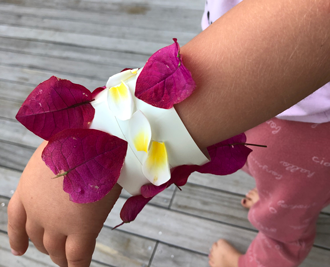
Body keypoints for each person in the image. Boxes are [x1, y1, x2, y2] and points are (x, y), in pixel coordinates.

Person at [7, 0, 330, 266]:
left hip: (310, 121)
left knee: (286, 213)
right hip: (244, 63)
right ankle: (280, 191)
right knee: (262, 165)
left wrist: (97, 144)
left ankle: (269, 253)